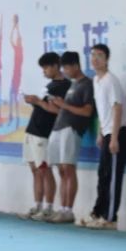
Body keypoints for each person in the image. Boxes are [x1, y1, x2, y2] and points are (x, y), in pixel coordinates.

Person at [81, 43, 126, 229]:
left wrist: (115, 137)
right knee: (103, 174)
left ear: (107, 59)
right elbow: (103, 111)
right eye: (93, 55)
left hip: (119, 132)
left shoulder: (111, 80)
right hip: (107, 132)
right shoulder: (96, 80)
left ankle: (110, 218)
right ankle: (98, 212)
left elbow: (117, 108)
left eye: (99, 55)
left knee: (113, 176)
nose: (95, 59)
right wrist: (100, 132)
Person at [20, 51, 71, 221]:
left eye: (46, 68)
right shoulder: (49, 85)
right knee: (35, 170)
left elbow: (59, 111)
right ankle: (38, 205)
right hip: (32, 130)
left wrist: (38, 102)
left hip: (44, 133)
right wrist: (33, 101)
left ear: (56, 66)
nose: (44, 72)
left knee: (45, 170)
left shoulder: (65, 86)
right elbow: (43, 105)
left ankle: (48, 207)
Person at [45, 51, 94, 223]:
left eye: (66, 68)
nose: (64, 72)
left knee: (68, 168)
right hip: (58, 128)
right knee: (61, 169)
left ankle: (69, 210)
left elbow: (87, 111)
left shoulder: (87, 84)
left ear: (76, 65)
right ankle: (62, 208)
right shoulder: (73, 84)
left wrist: (63, 105)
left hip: (71, 129)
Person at [9, 14, 24, 129]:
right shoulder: (16, 49)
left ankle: (17, 119)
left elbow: (18, 37)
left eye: (18, 41)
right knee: (11, 96)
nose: (17, 41)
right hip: (14, 75)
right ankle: (11, 117)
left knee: (15, 98)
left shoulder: (20, 50)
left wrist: (16, 26)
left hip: (17, 76)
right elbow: (10, 39)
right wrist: (13, 26)